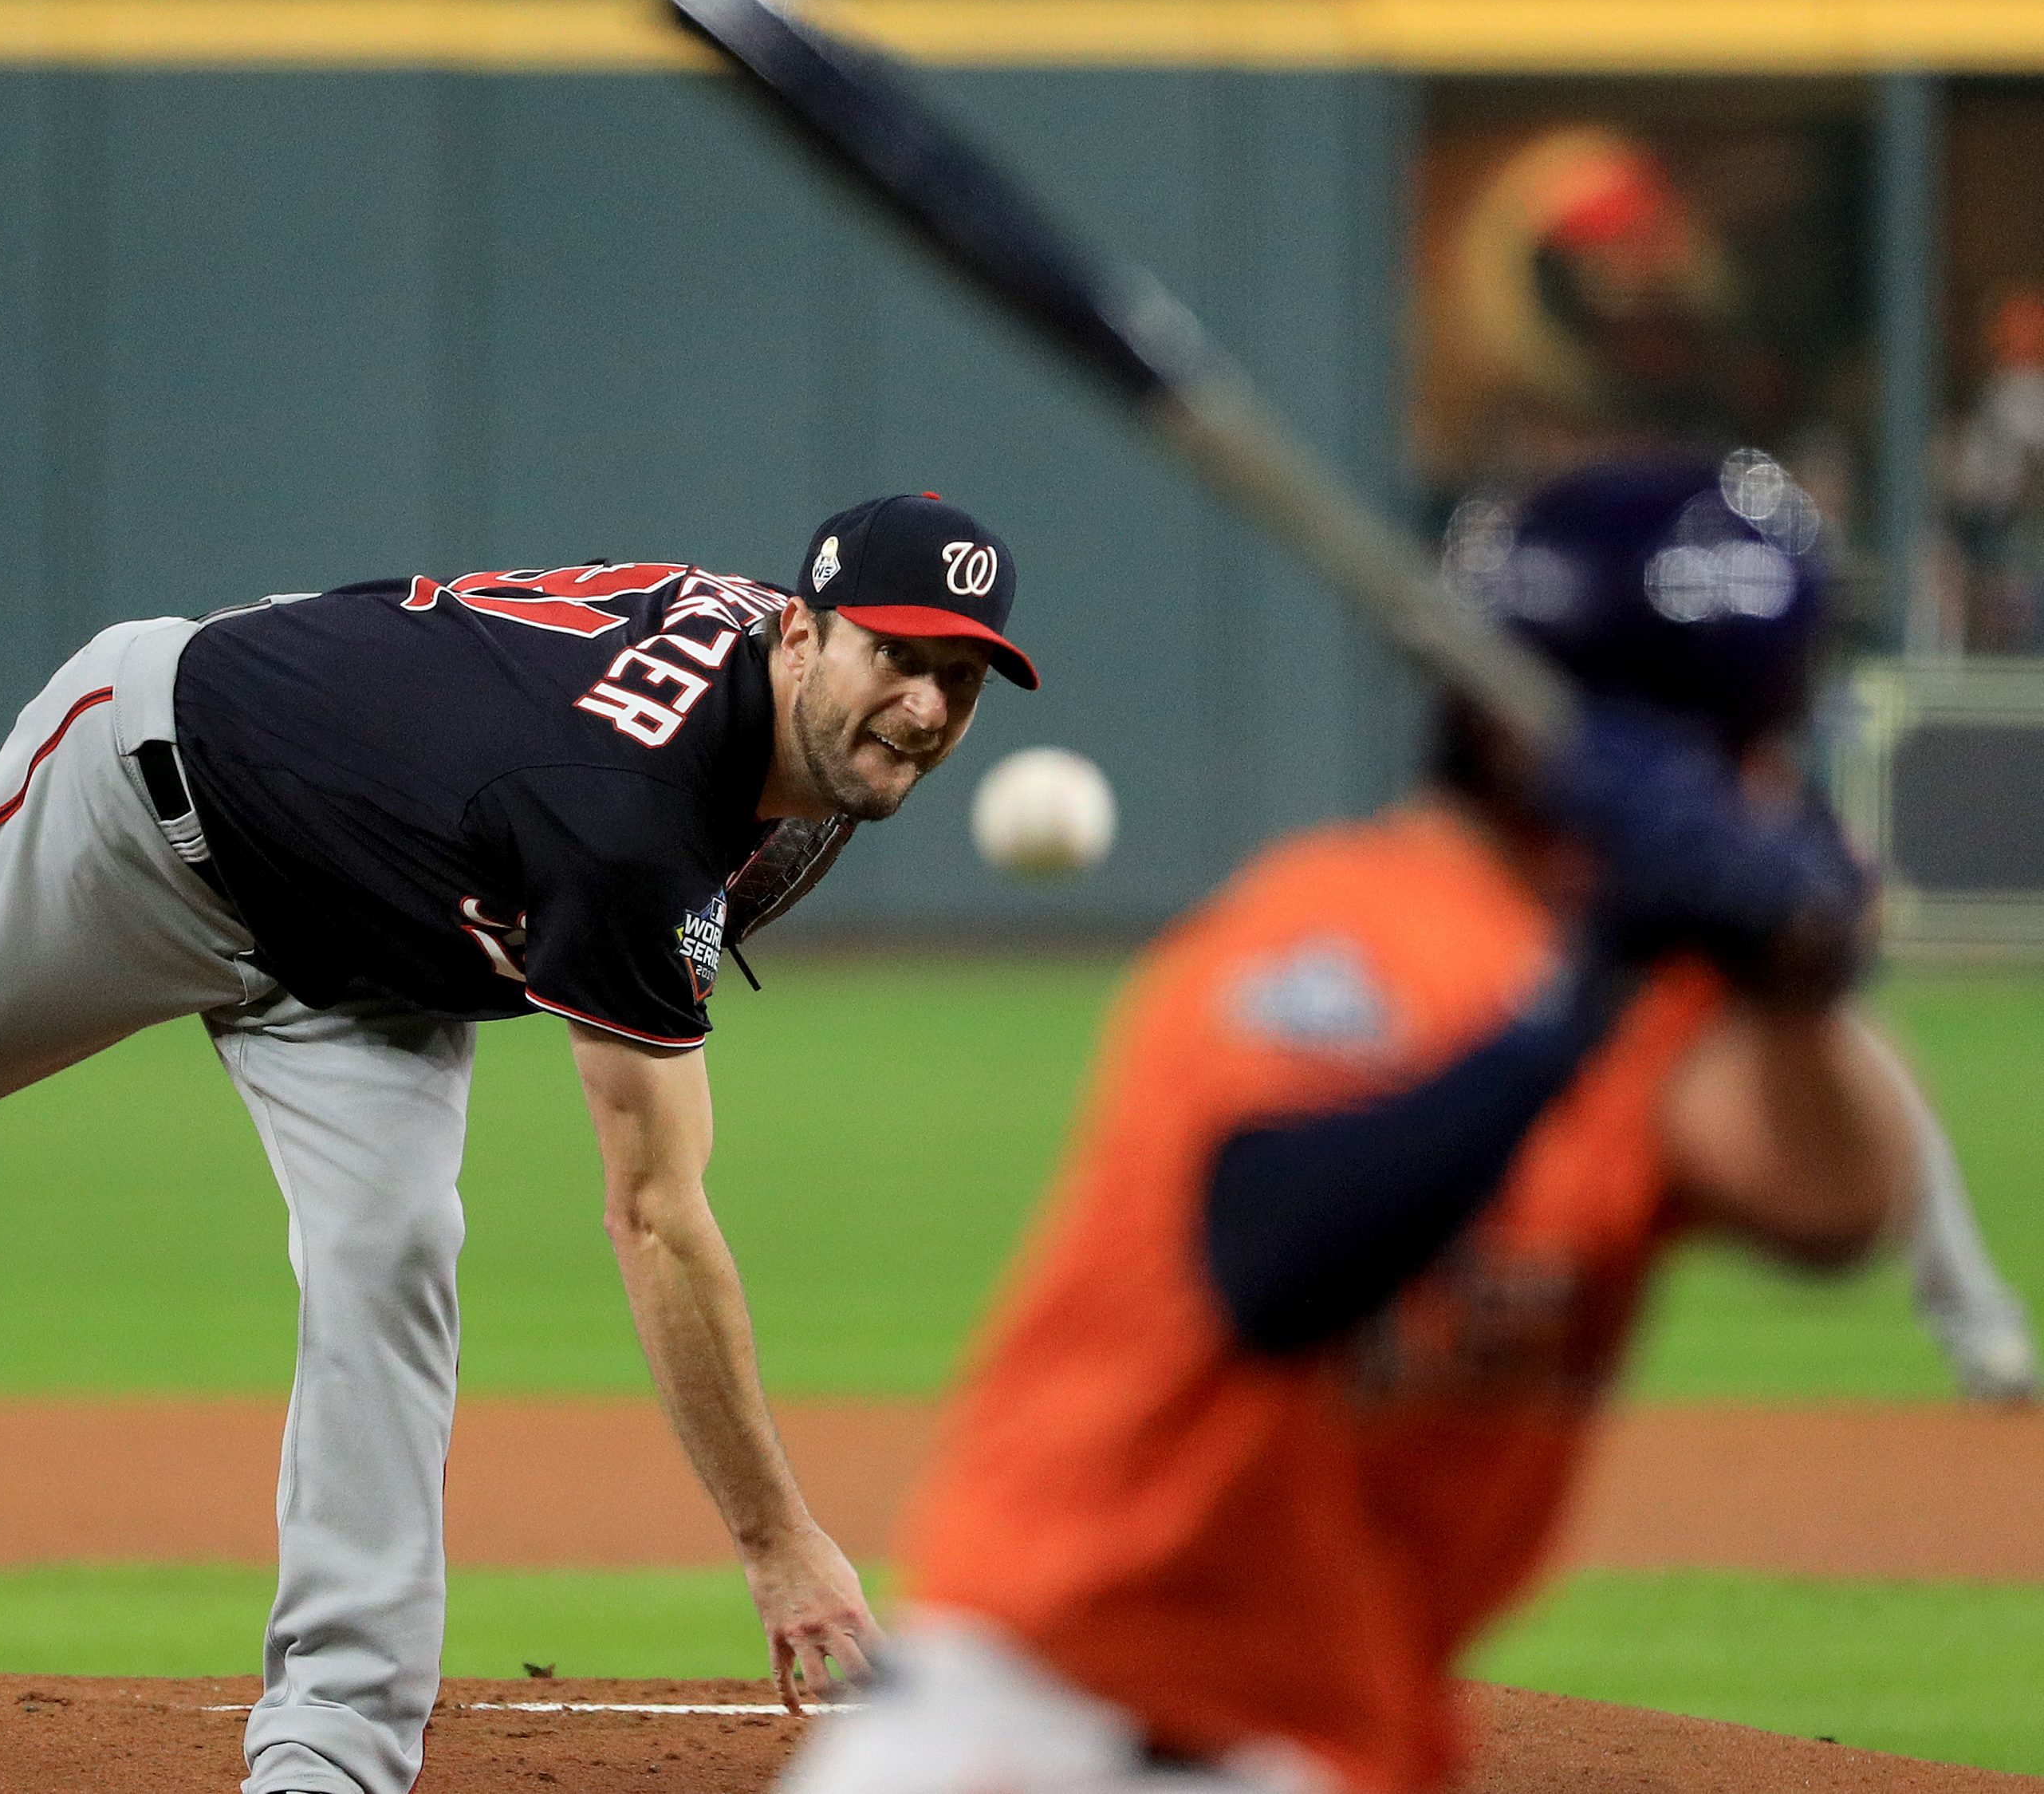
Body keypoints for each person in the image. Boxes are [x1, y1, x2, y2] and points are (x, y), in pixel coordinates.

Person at [0, 492, 1037, 1794]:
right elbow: (656, 1214)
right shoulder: (624, 811)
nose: (924, 704)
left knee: (394, 1248)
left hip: (371, 943)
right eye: (897, 655)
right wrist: (779, 1542)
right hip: (153, 808)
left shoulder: (756, 712)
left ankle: (331, 1744)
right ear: (797, 627)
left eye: (962, 679)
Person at [778, 454, 1918, 1794]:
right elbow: (1279, 1255)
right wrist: (1586, 989)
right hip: (1045, 1729)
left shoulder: (1673, 1017)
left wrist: (1795, 982)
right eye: (1739, 743)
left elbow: (1835, 1212)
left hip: (1334, 1743)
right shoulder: (1333, 928)